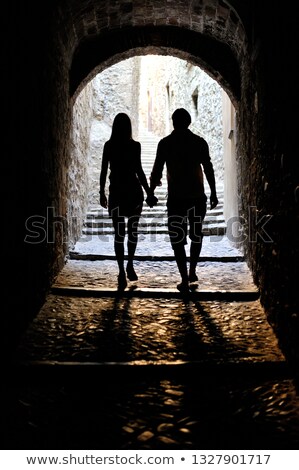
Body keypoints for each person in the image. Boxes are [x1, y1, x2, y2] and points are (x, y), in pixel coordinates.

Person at [149, 108, 218, 292]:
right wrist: (213, 192)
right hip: (197, 198)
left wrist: (150, 192)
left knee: (177, 240)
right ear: (188, 122)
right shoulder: (199, 142)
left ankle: (184, 278)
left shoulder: (165, 144)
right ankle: (193, 270)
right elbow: (209, 168)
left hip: (176, 200)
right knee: (196, 235)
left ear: (173, 122)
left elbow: (156, 171)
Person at [99, 112, 157, 290]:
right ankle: (129, 264)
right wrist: (148, 193)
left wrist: (102, 192)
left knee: (119, 234)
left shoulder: (109, 146)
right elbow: (139, 171)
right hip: (133, 192)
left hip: (116, 192)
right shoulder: (135, 146)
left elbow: (103, 171)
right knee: (132, 232)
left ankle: (121, 271)